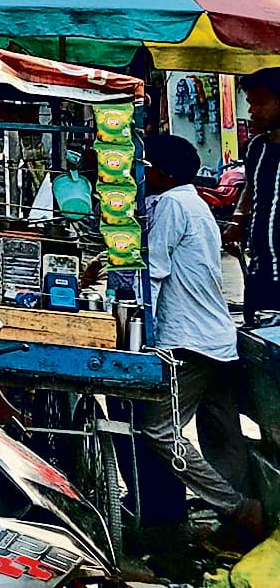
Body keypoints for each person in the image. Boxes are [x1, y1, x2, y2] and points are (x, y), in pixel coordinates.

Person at [137, 133, 263, 551]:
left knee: (158, 430)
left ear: (163, 171)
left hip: (188, 339)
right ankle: (242, 526)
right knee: (221, 435)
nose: (142, 170)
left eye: (146, 163)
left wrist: (142, 334)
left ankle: (237, 507)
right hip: (216, 337)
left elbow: (154, 271)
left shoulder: (174, 203)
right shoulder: (189, 201)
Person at [233, 67, 280, 319]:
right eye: (250, 103)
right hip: (260, 269)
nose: (252, 111)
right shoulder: (256, 148)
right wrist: (238, 220)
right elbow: (251, 188)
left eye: (260, 103)